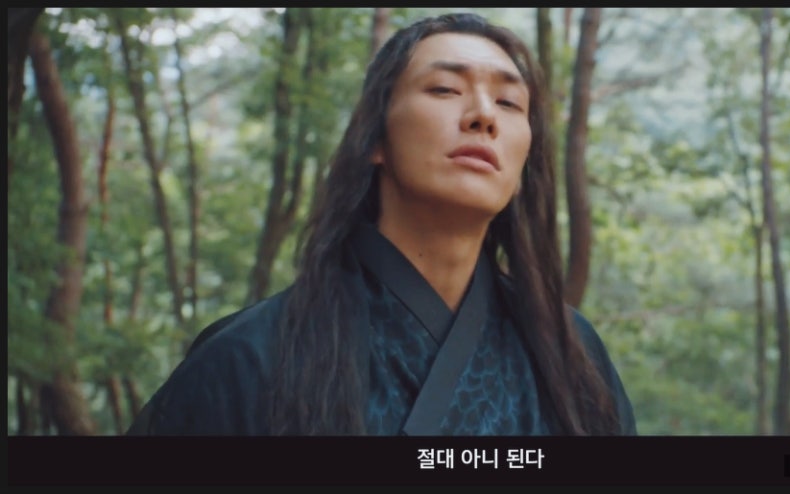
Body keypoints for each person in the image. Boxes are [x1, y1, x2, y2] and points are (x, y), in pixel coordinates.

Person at [127, 12, 636, 436]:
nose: (484, 115)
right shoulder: (249, 359)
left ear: (523, 166)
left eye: (509, 103)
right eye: (445, 89)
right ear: (375, 139)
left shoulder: (571, 358)